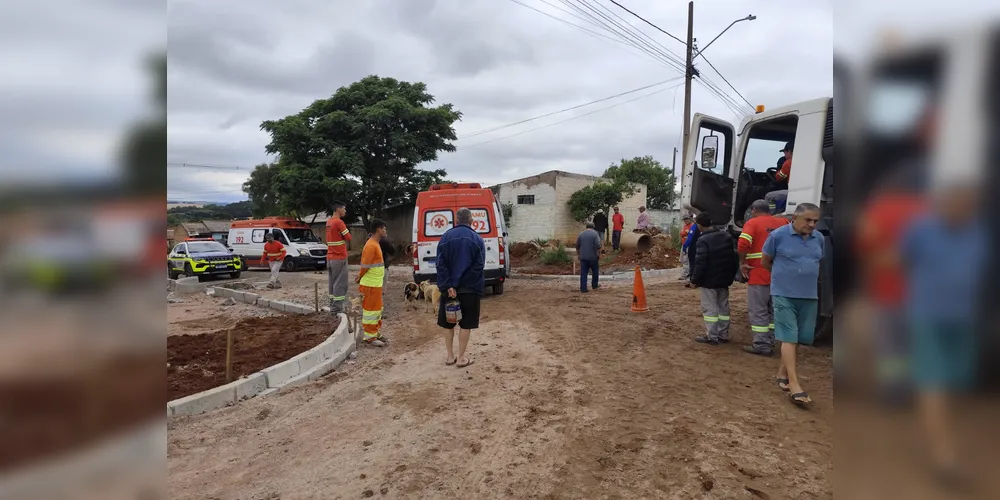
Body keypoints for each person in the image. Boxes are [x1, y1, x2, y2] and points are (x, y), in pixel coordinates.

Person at [899, 181, 984, 480]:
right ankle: (943, 453)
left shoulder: (978, 232)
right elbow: (904, 261)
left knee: (957, 382)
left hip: (965, 318)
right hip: (928, 315)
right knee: (933, 380)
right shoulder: (922, 230)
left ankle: (943, 434)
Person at [761, 202, 824, 406]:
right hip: (783, 293)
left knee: (799, 338)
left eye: (815, 220)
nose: (812, 224)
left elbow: (817, 261)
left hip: (809, 295)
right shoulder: (778, 236)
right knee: (788, 335)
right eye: (808, 220)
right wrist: (782, 278)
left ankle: (781, 373)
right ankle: (794, 384)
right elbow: (765, 261)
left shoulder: (819, 238)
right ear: (794, 218)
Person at [738, 200, 790, 357]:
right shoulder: (784, 222)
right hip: (780, 274)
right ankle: (771, 340)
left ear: (754, 210)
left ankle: (761, 344)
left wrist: (742, 263)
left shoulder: (752, 223)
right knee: (773, 310)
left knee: (758, 310)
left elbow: (742, 244)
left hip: (759, 273)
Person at [436, 208, 486, 368]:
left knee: (447, 323)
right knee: (466, 324)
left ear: (456, 221)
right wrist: (461, 284)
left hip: (449, 292)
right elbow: (478, 267)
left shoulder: (445, 238)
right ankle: (461, 358)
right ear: (471, 221)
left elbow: (440, 265)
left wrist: (450, 285)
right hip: (469, 290)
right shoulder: (477, 239)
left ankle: (450, 356)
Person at [690, 212, 738, 344]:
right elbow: (733, 258)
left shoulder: (703, 240)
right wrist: (731, 276)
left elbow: (701, 262)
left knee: (710, 308)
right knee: (723, 308)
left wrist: (694, 280)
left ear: (699, 225)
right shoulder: (726, 236)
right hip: (724, 280)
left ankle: (712, 336)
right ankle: (723, 334)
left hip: (709, 281)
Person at [356, 219, 388, 347]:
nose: (385, 231)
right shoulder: (371, 245)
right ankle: (369, 337)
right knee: (370, 311)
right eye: (384, 229)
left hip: (375, 284)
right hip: (370, 285)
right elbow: (365, 266)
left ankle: (375, 332)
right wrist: (359, 277)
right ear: (378, 230)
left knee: (377, 310)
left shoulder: (375, 244)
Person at [325, 201, 352, 314]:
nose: (345, 211)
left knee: (333, 282)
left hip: (330, 257)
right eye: (344, 209)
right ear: (338, 209)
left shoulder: (329, 222)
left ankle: (333, 304)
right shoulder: (339, 222)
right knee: (340, 283)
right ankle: (337, 308)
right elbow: (348, 237)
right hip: (339, 257)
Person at [765, 142, 793, 214]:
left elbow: (780, 177)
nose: (784, 155)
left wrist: (778, 172)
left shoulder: (789, 162)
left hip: (793, 192)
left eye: (785, 152)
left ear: (789, 151)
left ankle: (771, 214)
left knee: (769, 196)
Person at [576, 222, 603, 293]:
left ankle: (583, 288)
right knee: (595, 271)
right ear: (593, 227)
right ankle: (594, 285)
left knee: (584, 272)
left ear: (586, 227)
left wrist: (579, 255)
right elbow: (598, 245)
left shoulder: (581, 234)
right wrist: (599, 254)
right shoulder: (595, 234)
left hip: (583, 257)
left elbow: (577, 246)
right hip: (593, 257)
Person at [682, 217, 702, 287]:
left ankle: (693, 281)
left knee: (693, 264)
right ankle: (700, 281)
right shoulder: (706, 227)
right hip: (702, 248)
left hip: (693, 248)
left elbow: (689, 238)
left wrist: (685, 246)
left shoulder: (694, 226)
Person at [678, 215, 694, 281]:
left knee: (686, 260)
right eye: (684, 219)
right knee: (683, 260)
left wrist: (685, 233)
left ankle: (685, 274)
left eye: (686, 219)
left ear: (689, 219)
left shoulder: (692, 226)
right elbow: (681, 233)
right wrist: (685, 233)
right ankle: (686, 273)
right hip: (684, 245)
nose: (685, 221)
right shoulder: (685, 226)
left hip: (688, 245)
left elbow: (687, 234)